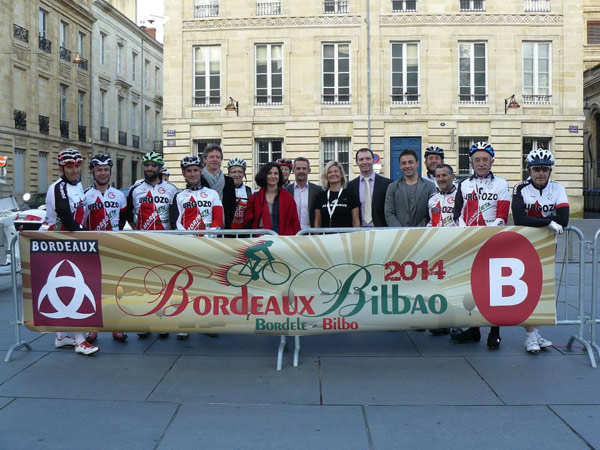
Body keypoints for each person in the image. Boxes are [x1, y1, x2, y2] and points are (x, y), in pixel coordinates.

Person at [452, 141, 510, 349]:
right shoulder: (464, 184)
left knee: (492, 288)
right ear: (471, 163)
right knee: (472, 287)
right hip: (469, 242)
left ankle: (495, 331)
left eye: (485, 159)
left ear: (492, 160)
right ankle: (473, 329)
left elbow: (502, 215)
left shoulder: (501, 184)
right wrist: (466, 232)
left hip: (492, 241)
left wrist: (485, 234)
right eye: (477, 160)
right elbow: (456, 214)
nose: (481, 163)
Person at [513, 148, 569, 353]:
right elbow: (520, 219)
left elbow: (563, 220)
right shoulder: (520, 188)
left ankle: (535, 333)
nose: (541, 173)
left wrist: (540, 222)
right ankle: (529, 336)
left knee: (542, 289)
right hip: (525, 245)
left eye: (545, 169)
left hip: (547, 246)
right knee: (528, 288)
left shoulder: (558, 189)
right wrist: (547, 221)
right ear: (529, 169)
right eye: (536, 169)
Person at [45, 148, 99, 356]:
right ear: (61, 168)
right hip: (59, 242)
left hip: (73, 241)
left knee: (69, 288)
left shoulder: (78, 187)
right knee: (73, 288)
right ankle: (79, 340)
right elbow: (66, 219)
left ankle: (61, 337)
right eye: (70, 167)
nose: (75, 170)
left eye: (77, 166)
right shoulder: (58, 188)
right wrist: (89, 236)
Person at [170, 155, 223, 339]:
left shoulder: (212, 194)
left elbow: (218, 218)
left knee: (208, 284)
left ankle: (208, 322)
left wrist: (208, 236)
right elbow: (175, 222)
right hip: (187, 246)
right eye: (188, 171)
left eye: (195, 170)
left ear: (201, 171)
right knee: (185, 285)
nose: (192, 174)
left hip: (208, 245)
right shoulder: (179, 196)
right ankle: (185, 322)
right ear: (184, 174)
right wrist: (188, 238)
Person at [126, 151, 177, 338]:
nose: (149, 168)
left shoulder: (171, 189)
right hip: (144, 242)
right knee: (144, 283)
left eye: (153, 165)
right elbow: (128, 214)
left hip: (165, 241)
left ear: (159, 168)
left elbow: (175, 215)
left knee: (164, 281)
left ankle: (162, 320)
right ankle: (144, 322)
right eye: (146, 165)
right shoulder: (135, 189)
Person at [83, 154, 128, 343]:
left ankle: (115, 328)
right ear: (92, 172)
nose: (103, 173)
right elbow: (82, 223)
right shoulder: (85, 195)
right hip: (92, 248)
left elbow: (124, 219)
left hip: (113, 247)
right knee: (92, 289)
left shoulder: (119, 195)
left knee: (114, 289)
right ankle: (93, 328)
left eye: (106, 170)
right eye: (99, 170)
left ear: (110, 172)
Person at [425, 163, 457, 336]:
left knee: (456, 286)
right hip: (437, 249)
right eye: (438, 176)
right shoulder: (432, 198)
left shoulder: (461, 195)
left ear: (452, 177)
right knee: (439, 287)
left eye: (445, 175)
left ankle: (458, 322)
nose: (441, 179)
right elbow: (431, 221)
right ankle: (442, 322)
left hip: (456, 247)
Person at [242, 162, 300, 235]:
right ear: (264, 175)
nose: (273, 176)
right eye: (269, 173)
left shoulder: (288, 198)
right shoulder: (256, 197)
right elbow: (248, 221)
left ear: (279, 176)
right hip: (260, 241)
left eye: (276, 173)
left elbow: (294, 222)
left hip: (282, 241)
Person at [384, 150, 436, 227]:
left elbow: (432, 212)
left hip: (423, 233)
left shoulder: (430, 186)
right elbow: (389, 213)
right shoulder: (392, 187)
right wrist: (401, 231)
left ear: (417, 163)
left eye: (410, 162)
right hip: (399, 234)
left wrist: (417, 231)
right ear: (400, 166)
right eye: (404, 163)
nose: (407, 166)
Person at [347, 148, 392, 227]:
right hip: (358, 231)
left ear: (373, 160)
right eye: (361, 159)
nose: (365, 162)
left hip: (380, 231)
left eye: (368, 159)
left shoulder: (387, 184)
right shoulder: (350, 186)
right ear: (356, 162)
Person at [314, 161, 360, 228]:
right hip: (325, 237)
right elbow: (317, 222)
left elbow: (356, 221)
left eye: (336, 171)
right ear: (326, 176)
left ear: (341, 175)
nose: (333, 174)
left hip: (345, 237)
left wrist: (356, 237)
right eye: (329, 172)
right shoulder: (321, 196)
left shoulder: (351, 195)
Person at [201, 144, 236, 229]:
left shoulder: (229, 181)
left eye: (218, 157)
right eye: (211, 157)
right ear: (205, 160)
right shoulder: (198, 180)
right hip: (202, 227)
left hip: (223, 228)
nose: (215, 159)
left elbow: (232, 206)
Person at [285, 157, 322, 230]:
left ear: (309, 170)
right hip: (292, 235)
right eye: (298, 168)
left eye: (304, 168)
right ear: (293, 170)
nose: (301, 171)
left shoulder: (318, 190)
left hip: (311, 234)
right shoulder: (286, 191)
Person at [227, 157, 253, 229]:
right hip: (227, 232)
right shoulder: (223, 190)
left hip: (245, 232)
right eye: (233, 172)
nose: (237, 175)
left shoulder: (250, 191)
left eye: (240, 172)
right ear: (229, 174)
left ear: (244, 174)